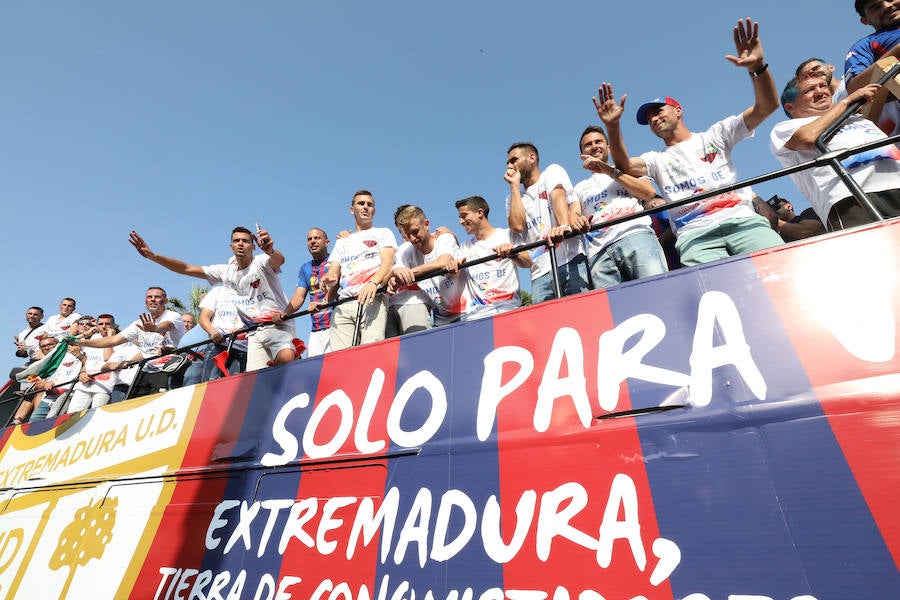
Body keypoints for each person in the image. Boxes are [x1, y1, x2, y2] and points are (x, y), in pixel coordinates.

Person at [599, 18, 784, 267]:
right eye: (649, 118)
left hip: (744, 222)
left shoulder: (715, 135)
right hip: (695, 237)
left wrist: (758, 68)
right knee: (716, 299)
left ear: (678, 110)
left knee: (781, 272)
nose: (654, 118)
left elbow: (767, 106)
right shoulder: (657, 159)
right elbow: (624, 165)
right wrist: (612, 126)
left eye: (658, 110)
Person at [127, 227, 295, 371]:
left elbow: (279, 260)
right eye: (236, 241)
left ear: (253, 246)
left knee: (286, 360)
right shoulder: (225, 271)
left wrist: (271, 250)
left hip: (276, 325)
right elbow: (186, 268)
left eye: (245, 240)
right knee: (257, 379)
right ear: (231, 247)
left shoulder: (261, 262)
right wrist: (153, 256)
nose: (241, 244)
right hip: (254, 334)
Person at [770, 76, 900, 230]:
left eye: (823, 86)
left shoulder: (858, 119)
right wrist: (845, 102)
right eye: (810, 90)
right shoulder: (786, 128)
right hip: (850, 198)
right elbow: (808, 138)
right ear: (790, 107)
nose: (821, 91)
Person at [570, 125, 668, 289]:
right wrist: (577, 221)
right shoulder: (579, 187)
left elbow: (649, 193)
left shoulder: (627, 169)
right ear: (583, 154)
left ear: (608, 147)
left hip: (636, 236)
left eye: (598, 142)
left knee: (658, 292)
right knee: (616, 312)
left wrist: (610, 171)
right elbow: (573, 214)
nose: (594, 146)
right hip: (599, 254)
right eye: (588, 144)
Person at [505, 142, 589, 302]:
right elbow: (517, 226)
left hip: (570, 259)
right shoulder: (512, 197)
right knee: (547, 324)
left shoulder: (552, 171)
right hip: (540, 273)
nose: (510, 165)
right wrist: (515, 187)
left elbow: (558, 194)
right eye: (508, 163)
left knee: (582, 315)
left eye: (514, 160)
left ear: (532, 158)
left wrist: (563, 226)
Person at [318, 191, 397, 351]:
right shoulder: (342, 241)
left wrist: (373, 283)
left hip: (372, 300)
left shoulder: (383, 233)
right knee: (340, 359)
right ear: (351, 209)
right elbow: (334, 271)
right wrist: (328, 278)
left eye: (370, 204)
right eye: (361, 203)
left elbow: (388, 264)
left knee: (370, 353)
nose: (366, 207)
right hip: (344, 305)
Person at [79, 287, 186, 396]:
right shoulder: (139, 323)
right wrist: (81, 342)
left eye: (157, 297)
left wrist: (155, 328)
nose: (152, 299)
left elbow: (166, 325)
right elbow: (112, 340)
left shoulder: (173, 315)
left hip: (168, 368)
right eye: (149, 297)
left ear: (166, 301)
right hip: (143, 371)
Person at [448, 196, 531, 321]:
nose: (461, 221)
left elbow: (528, 262)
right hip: (475, 316)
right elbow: (454, 277)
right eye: (460, 217)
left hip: (506, 310)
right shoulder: (465, 246)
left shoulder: (507, 235)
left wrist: (513, 253)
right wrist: (454, 268)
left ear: (480, 213)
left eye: (464, 216)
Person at [389, 205, 464, 327]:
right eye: (408, 235)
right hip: (440, 321)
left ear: (427, 224)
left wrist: (410, 272)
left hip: (465, 314)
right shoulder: (407, 251)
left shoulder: (444, 238)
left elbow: (443, 262)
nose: (412, 239)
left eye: (415, 232)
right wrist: (395, 277)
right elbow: (397, 272)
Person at [845, 0, 900, 135]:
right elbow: (855, 88)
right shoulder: (866, 44)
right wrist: (898, 50)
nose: (888, 6)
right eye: (876, 7)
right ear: (865, 20)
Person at [281, 228, 333, 357]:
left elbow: (338, 287)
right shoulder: (305, 268)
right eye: (309, 239)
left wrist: (324, 301)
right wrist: (283, 314)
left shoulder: (335, 261)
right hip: (316, 328)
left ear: (327, 242)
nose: (313, 241)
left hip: (337, 325)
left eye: (317, 238)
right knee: (314, 372)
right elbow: (298, 296)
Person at [384, 205, 433, 337]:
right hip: (390, 305)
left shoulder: (433, 240)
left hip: (415, 303)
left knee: (417, 350)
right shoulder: (394, 250)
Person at [10, 337, 82, 424]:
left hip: (66, 394)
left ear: (57, 344)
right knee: (32, 424)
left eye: (50, 344)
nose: (47, 348)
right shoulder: (39, 365)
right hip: (48, 398)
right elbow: (35, 382)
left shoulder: (72, 355)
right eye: (43, 346)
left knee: (50, 422)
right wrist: (43, 384)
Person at [11, 306, 45, 382]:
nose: (32, 316)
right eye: (30, 314)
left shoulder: (46, 328)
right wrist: (21, 350)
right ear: (26, 315)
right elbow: (23, 354)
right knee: (15, 374)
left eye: (35, 314)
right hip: (32, 361)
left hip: (44, 360)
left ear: (42, 317)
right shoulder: (22, 334)